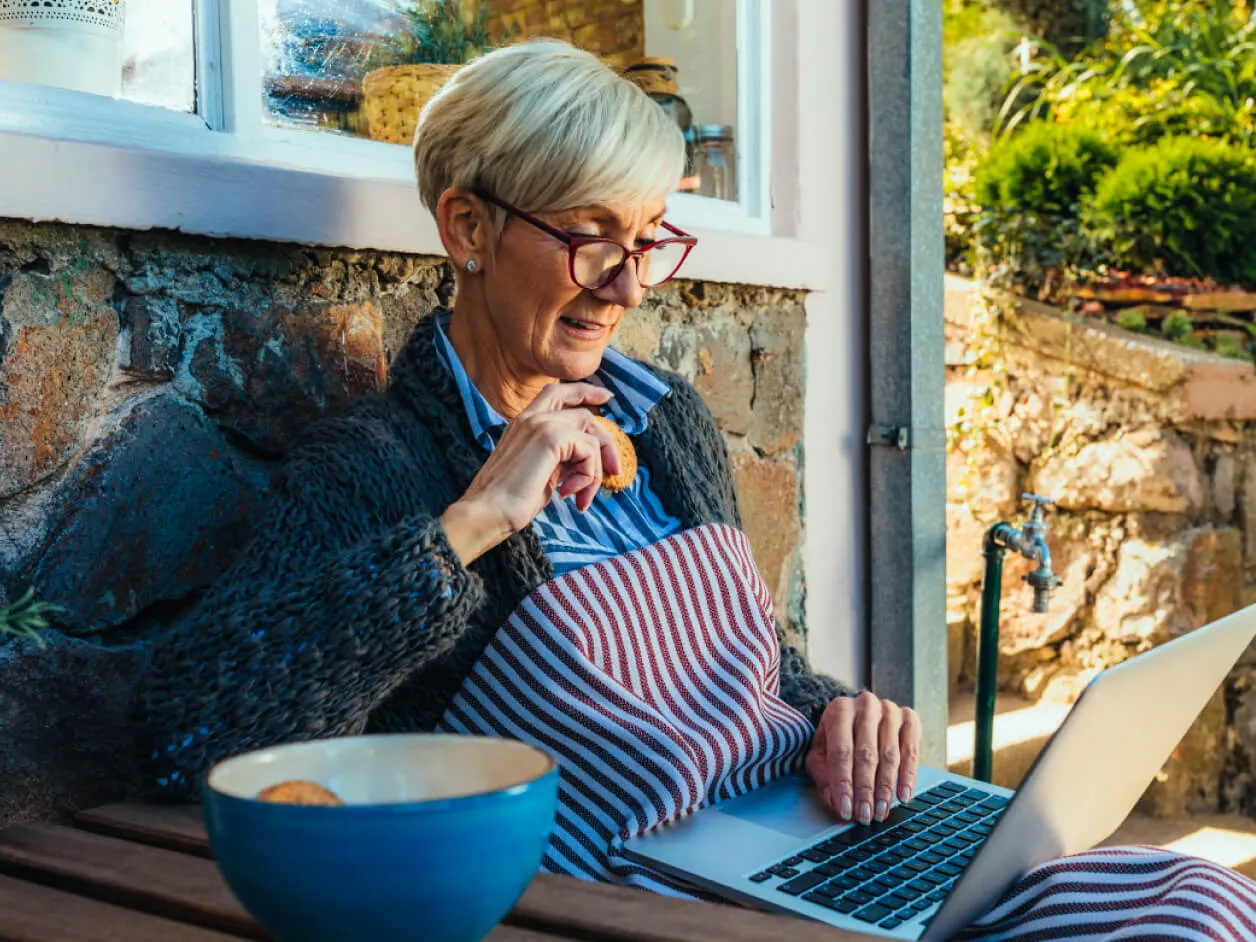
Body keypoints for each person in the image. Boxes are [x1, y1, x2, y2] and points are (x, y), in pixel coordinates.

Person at [136, 40, 1256, 938]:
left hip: (816, 837)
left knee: (1204, 898)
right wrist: (470, 526)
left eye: (644, 240)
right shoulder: (380, 466)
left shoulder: (663, 419)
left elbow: (755, 669)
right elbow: (194, 736)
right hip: (649, 897)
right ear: (466, 228)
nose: (624, 284)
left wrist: (834, 715)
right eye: (588, 239)